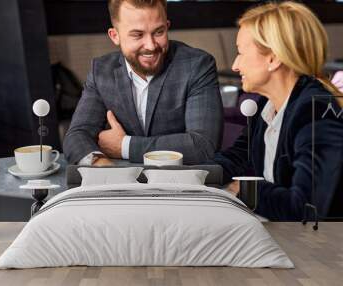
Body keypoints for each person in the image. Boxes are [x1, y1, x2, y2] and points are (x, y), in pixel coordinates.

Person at [214, 1, 343, 221]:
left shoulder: (316, 112)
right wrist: (193, 175)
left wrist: (246, 191)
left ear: (273, 59)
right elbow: (239, 157)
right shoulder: (267, 104)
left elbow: (306, 208)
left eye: (241, 53)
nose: (235, 65)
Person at [63, 0, 223, 166]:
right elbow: (77, 135)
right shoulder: (101, 71)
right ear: (115, 36)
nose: (151, 46)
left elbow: (203, 145)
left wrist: (124, 146)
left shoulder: (197, 65)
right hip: (121, 182)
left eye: (158, 32)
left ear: (167, 26)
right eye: (137, 35)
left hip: (180, 185)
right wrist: (101, 164)